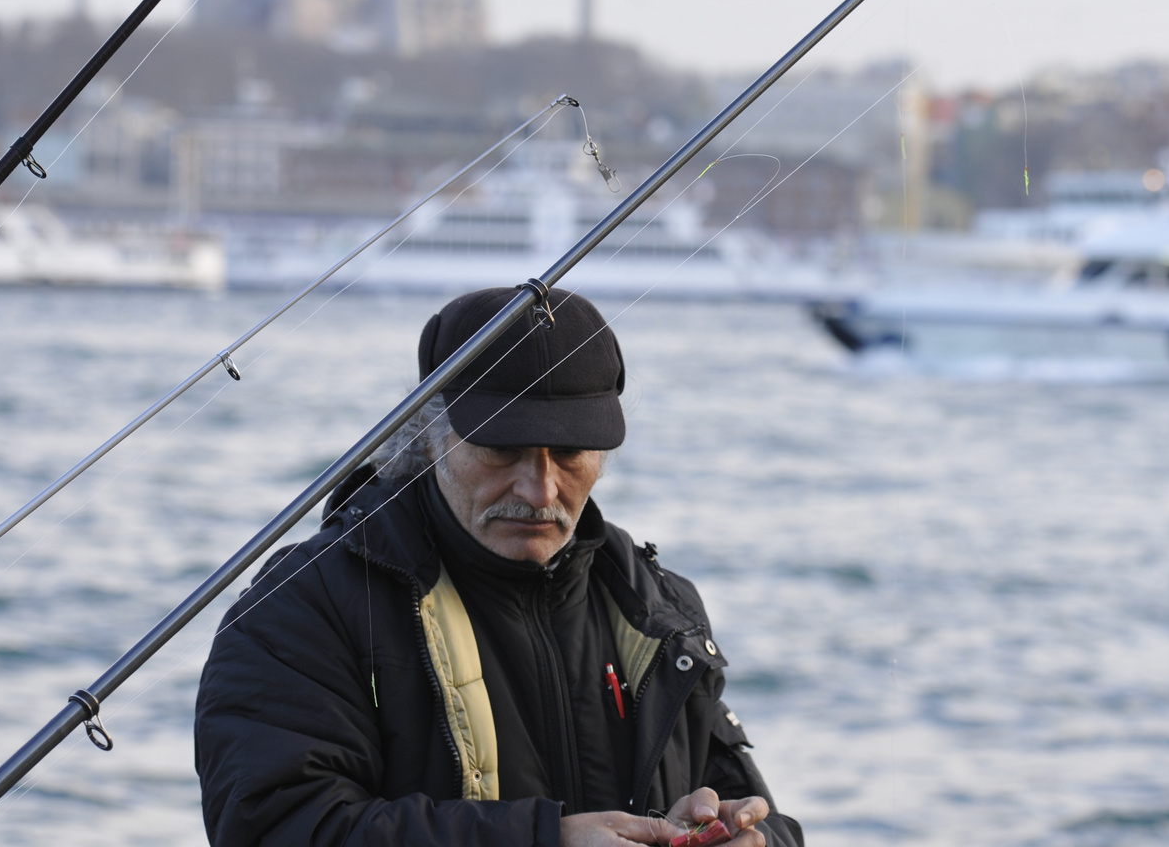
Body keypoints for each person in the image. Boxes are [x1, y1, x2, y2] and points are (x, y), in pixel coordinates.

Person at [195, 287, 802, 847]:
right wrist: (544, 841)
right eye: (501, 448)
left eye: (568, 453)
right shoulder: (301, 607)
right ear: (428, 434)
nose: (539, 490)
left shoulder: (659, 608)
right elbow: (272, 827)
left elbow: (760, 812)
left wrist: (750, 836)